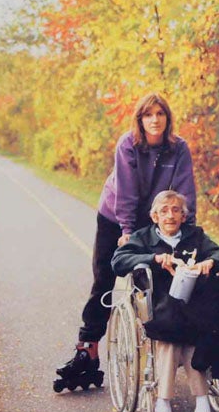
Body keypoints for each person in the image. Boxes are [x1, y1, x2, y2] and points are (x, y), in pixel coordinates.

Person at [54, 93, 197, 389]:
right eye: (148, 115)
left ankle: (157, 342)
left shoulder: (178, 148)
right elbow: (127, 191)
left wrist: (189, 230)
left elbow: (185, 192)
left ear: (167, 118)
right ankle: (87, 349)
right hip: (114, 216)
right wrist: (127, 231)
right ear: (140, 119)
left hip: (154, 218)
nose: (155, 119)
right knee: (105, 278)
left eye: (160, 114)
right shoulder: (128, 144)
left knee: (155, 276)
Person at [110, 190, 219, 412]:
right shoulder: (142, 238)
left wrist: (209, 261)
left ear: (184, 216)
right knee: (174, 337)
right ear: (154, 215)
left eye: (176, 210)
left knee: (187, 334)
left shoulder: (196, 237)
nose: (170, 215)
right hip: (159, 307)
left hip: (193, 308)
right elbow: (119, 261)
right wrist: (154, 259)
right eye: (165, 210)